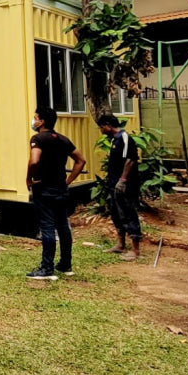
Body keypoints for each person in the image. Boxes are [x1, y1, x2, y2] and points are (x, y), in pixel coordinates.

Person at [26, 106, 86, 280]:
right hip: (61, 189)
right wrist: (68, 181)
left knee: (47, 228)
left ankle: (46, 268)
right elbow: (81, 161)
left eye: (35, 117)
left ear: (41, 122)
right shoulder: (63, 139)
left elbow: (34, 161)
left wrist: (28, 178)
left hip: (44, 189)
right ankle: (65, 264)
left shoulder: (38, 139)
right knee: (63, 227)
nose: (33, 120)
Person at [97, 113, 143, 261]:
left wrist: (123, 180)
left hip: (125, 184)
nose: (101, 130)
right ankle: (121, 244)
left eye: (101, 127)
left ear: (108, 125)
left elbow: (130, 160)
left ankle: (135, 249)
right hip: (113, 183)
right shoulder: (114, 140)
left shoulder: (125, 138)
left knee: (128, 212)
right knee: (116, 213)